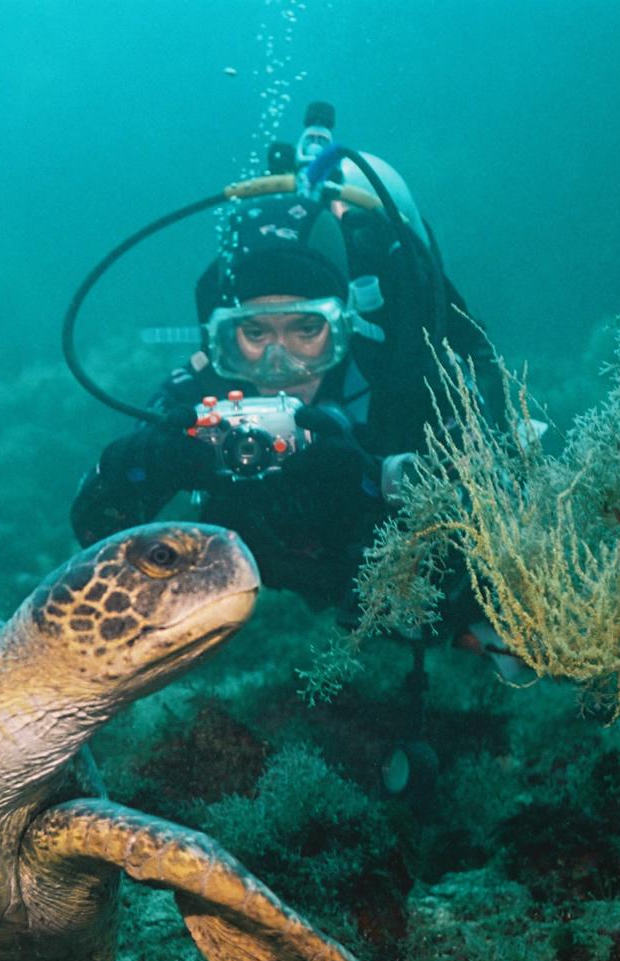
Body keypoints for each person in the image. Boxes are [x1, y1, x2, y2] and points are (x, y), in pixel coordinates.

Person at [70, 105, 500, 619]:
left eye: (307, 329)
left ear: (345, 327)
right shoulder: (204, 386)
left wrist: (367, 481)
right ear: (222, 337)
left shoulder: (400, 376)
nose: (280, 361)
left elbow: (485, 546)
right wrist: (144, 461)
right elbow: (94, 534)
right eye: (252, 333)